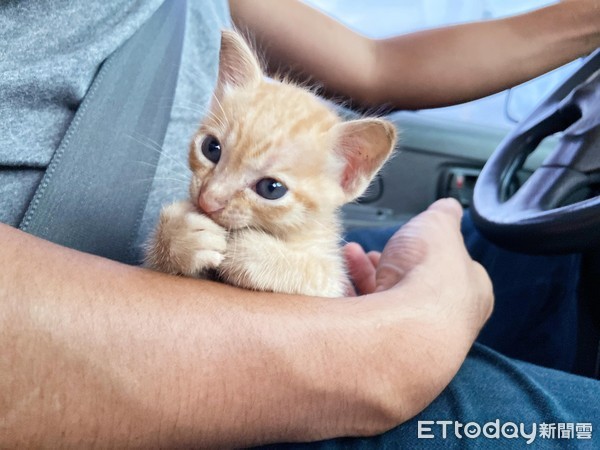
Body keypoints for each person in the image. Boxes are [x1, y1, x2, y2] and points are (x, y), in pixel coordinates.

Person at [0, 0, 599, 447]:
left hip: (264, 275)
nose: (210, 196)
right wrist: (396, 349)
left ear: (350, 177)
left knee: (537, 257)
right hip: (105, 335)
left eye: (268, 186)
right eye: (211, 152)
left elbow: (376, 62)